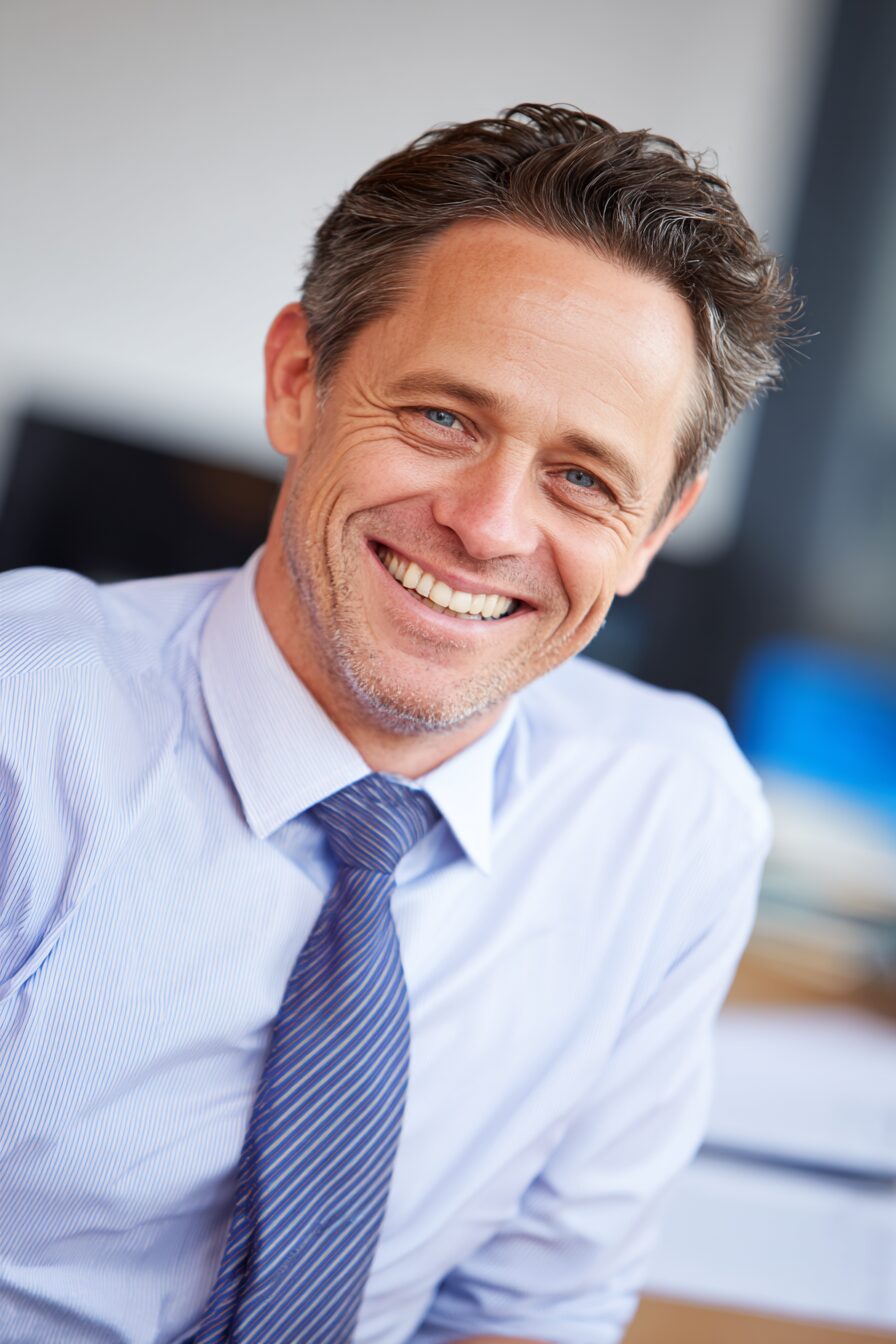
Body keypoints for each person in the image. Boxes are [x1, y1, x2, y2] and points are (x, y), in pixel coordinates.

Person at [0, 104, 797, 1344]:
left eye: (583, 478)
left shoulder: (669, 814)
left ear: (651, 533)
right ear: (296, 381)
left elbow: (533, 1307)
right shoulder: (24, 727)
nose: (486, 526)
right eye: (441, 417)